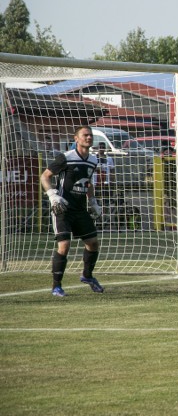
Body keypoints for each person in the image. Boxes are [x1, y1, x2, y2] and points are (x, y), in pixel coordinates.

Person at [40, 125, 104, 296]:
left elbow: (88, 183)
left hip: (80, 209)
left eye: (90, 135)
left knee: (93, 243)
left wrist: (93, 201)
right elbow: (44, 176)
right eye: (85, 135)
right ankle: (56, 286)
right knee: (64, 245)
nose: (88, 138)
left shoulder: (93, 160)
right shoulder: (65, 158)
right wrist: (52, 195)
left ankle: (87, 276)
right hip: (63, 208)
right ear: (76, 138)